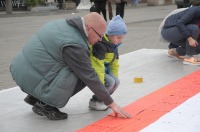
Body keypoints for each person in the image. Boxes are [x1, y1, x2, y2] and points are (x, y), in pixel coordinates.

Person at [10, 12, 132, 120]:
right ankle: (45, 105)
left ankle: (34, 96)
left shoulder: (65, 24)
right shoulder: (75, 45)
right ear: (89, 28)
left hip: (22, 71)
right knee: (80, 73)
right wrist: (111, 103)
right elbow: (89, 76)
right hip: (29, 76)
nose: (100, 39)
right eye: (99, 35)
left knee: (69, 65)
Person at [89, 15, 126, 111]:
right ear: (110, 35)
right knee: (110, 82)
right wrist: (99, 84)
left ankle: (105, 100)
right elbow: (98, 66)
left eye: (122, 38)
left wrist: (115, 75)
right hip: (96, 71)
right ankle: (95, 101)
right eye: (118, 37)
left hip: (104, 71)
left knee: (116, 81)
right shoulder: (101, 45)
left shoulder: (114, 45)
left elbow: (115, 63)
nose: (120, 40)